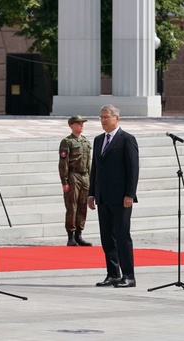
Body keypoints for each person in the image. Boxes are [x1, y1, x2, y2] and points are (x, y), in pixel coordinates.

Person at [88, 104, 139, 288]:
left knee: (122, 236)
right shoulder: (98, 140)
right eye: (101, 117)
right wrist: (92, 193)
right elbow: (95, 168)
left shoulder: (127, 139)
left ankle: (128, 275)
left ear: (117, 118)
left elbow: (133, 169)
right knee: (107, 238)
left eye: (106, 117)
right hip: (102, 197)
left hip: (121, 198)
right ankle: (113, 273)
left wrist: (130, 194)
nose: (103, 120)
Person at [58, 115, 92, 246]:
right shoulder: (67, 141)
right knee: (72, 206)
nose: (81, 125)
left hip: (85, 176)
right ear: (71, 126)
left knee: (83, 205)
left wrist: (91, 178)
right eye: (78, 124)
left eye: (82, 123)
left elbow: (89, 162)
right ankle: (71, 236)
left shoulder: (85, 142)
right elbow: (63, 163)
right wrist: (64, 181)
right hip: (73, 176)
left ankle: (79, 234)